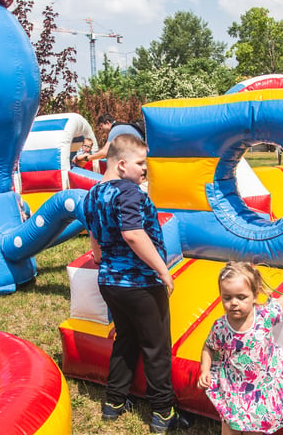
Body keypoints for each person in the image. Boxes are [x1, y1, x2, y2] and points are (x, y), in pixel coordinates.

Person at [82, 134, 191, 432]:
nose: (145, 169)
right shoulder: (129, 192)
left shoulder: (92, 194)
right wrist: (163, 271)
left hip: (110, 281)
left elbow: (94, 231)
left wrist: (98, 254)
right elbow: (132, 233)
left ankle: (114, 401)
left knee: (126, 337)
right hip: (138, 282)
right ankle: (163, 412)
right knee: (156, 346)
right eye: (141, 163)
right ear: (121, 165)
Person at [197, 262, 283, 434]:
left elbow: (282, 302)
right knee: (229, 424)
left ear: (255, 295)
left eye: (241, 297)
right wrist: (205, 370)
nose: (233, 303)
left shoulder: (264, 316)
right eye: (227, 298)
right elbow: (209, 346)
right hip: (234, 385)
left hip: (261, 382)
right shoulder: (221, 327)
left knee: (255, 427)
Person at [76, 114, 145, 165]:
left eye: (101, 126)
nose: (101, 129)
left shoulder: (115, 130)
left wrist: (86, 158)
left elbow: (105, 152)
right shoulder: (121, 126)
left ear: (108, 123)